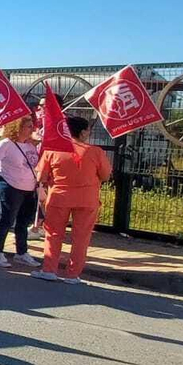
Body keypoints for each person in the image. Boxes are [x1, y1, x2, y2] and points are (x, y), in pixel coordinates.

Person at [34, 116, 113, 284]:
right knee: (81, 237)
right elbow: (106, 175)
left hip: (59, 197)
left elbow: (41, 175)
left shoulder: (52, 150)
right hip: (87, 199)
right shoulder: (95, 151)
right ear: (83, 132)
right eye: (88, 130)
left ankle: (49, 270)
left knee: (54, 234)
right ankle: (73, 274)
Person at [0, 116, 41, 267]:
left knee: (23, 222)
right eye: (28, 126)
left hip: (29, 188)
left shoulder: (30, 145)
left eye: (32, 126)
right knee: (7, 220)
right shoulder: (6, 144)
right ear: (18, 128)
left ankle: (21, 252)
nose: (32, 129)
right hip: (11, 187)